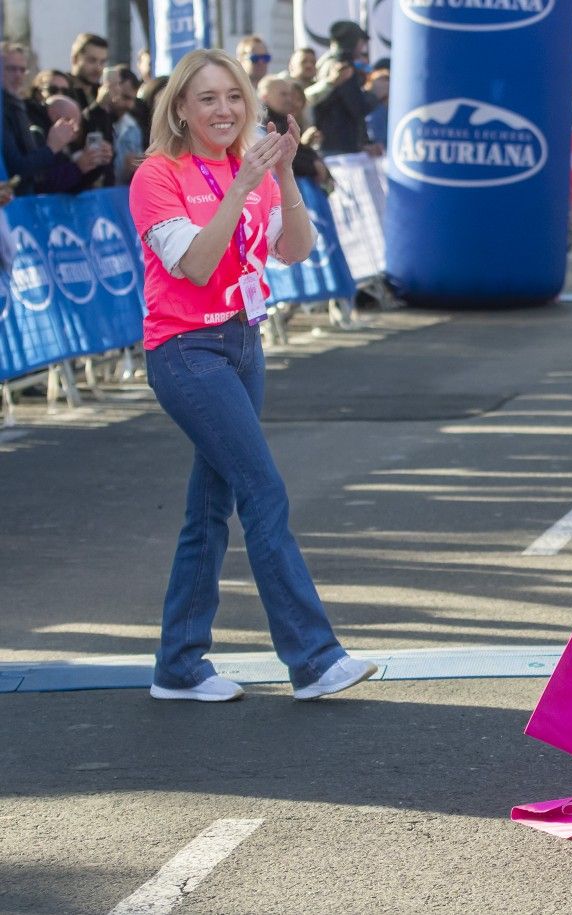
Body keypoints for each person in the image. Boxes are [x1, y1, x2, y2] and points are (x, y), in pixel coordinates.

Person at [128, 48, 377, 703]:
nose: (223, 110)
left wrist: (286, 178)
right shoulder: (157, 175)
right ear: (180, 108)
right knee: (262, 492)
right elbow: (197, 266)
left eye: (233, 97)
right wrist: (239, 187)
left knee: (209, 508)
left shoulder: (257, 170)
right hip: (185, 350)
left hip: (242, 342)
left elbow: (293, 250)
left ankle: (179, 665)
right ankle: (314, 657)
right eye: (207, 98)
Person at [2, 42, 108, 194]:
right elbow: (19, 171)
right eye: (11, 69)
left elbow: (63, 184)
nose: (18, 75)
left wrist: (94, 163)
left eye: (22, 69)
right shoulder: (14, 112)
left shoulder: (19, 109)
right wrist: (51, 148)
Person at [308, 20, 379, 156]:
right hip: (339, 147)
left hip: (334, 144)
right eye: (361, 41)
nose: (363, 47)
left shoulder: (326, 62)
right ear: (355, 41)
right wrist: (375, 93)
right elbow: (356, 106)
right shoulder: (342, 66)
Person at [68, 32, 109, 109]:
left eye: (102, 62)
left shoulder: (100, 91)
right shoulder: (62, 90)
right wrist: (99, 105)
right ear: (75, 59)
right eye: (92, 60)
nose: (98, 68)